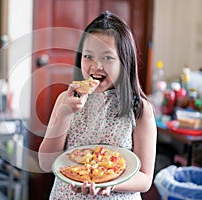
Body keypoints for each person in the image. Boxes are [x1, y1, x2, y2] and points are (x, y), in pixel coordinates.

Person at [38, 11, 157, 199]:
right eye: (88, 56)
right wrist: (64, 114)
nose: (96, 66)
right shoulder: (65, 100)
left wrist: (108, 183)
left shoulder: (140, 110)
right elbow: (45, 163)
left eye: (107, 58)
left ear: (125, 62)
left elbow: (145, 179)